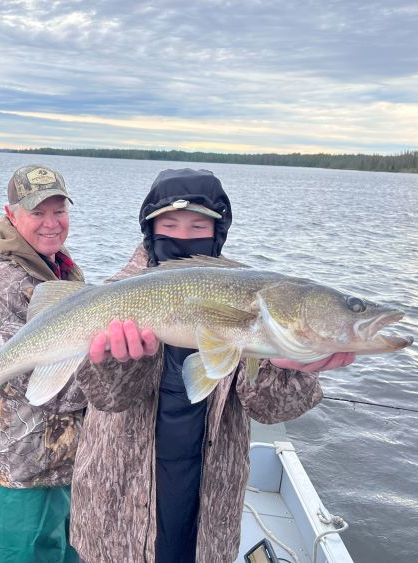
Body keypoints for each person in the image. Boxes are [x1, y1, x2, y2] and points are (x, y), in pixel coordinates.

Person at [70, 168, 355, 563]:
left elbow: (269, 409)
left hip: (207, 501)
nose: (183, 236)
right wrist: (121, 363)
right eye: (169, 223)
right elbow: (104, 398)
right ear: (150, 228)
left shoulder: (255, 295)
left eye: (198, 224)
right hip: (119, 505)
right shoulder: (112, 295)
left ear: (217, 232)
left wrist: (296, 365)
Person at [0, 164, 86, 563]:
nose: (51, 223)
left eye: (59, 210)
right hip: (22, 470)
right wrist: (119, 371)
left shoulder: (59, 268)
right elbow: (31, 383)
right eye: (38, 212)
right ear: (11, 214)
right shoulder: (0, 287)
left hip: (66, 463)